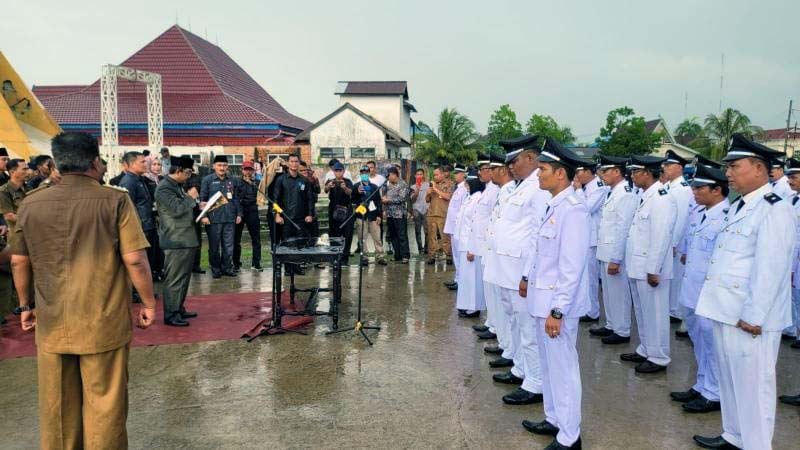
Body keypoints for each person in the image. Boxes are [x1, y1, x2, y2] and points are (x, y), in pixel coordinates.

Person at [11, 132, 156, 449]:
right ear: (94, 162)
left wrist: (25, 306)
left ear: (57, 163)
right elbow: (135, 259)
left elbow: (19, 262)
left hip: (52, 322)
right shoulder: (114, 200)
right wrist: (148, 302)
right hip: (101, 320)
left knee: (57, 407)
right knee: (105, 404)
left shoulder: (30, 203)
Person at [691, 134, 794, 449]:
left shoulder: (774, 208)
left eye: (735, 166)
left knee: (754, 388)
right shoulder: (741, 206)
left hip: (750, 317)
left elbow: (772, 267)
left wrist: (753, 314)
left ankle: (756, 444)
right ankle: (734, 436)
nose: (729, 174)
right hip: (726, 309)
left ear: (760, 169)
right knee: (732, 381)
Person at [520, 138, 589, 450]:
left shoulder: (573, 210)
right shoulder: (555, 204)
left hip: (556, 306)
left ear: (561, 173)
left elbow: (571, 267)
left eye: (543, 169)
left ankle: (570, 436)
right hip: (542, 302)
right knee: (549, 368)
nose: (538, 175)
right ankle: (554, 419)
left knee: (563, 370)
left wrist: (558, 310)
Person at [483, 134, 550, 406]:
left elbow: (537, 235)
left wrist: (528, 274)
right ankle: (521, 369)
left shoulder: (538, 188)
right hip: (506, 269)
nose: (510, 166)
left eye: (515, 160)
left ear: (531, 159)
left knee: (528, 329)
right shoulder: (520, 186)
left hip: (520, 271)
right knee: (514, 321)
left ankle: (535, 383)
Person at [667, 164, 730, 414]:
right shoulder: (700, 213)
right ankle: (702, 383)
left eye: (699, 188)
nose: (694, 192)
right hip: (693, 291)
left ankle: (713, 393)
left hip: (709, 294)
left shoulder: (725, 217)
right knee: (699, 341)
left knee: (711, 343)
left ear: (717, 190)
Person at [621, 155, 677, 374]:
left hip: (651, 269)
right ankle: (645, 349)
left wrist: (654, 269)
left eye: (636, 172)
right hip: (638, 265)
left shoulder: (662, 198)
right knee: (643, 312)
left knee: (655, 313)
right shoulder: (646, 195)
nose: (633, 176)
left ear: (647, 172)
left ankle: (659, 356)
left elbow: (661, 236)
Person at [588, 155, 638, 345]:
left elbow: (623, 228)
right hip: (605, 250)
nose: (602, 175)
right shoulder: (613, 191)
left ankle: (622, 329)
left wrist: (616, 258)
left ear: (617, 172)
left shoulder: (625, 193)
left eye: (606, 171)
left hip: (614, 253)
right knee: (608, 293)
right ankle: (611, 324)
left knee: (619, 293)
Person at [155, 156, 200, 326]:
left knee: (184, 278)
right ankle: (171, 314)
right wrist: (190, 197)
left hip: (185, 238)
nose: (189, 176)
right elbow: (176, 209)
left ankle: (178, 308)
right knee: (175, 279)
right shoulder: (164, 188)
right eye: (188, 172)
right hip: (176, 240)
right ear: (178, 170)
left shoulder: (177, 186)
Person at [479, 153, 515, 361]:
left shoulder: (511, 191)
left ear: (503, 170)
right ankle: (505, 344)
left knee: (507, 309)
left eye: (492, 169)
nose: (489, 172)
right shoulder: (504, 191)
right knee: (499, 304)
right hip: (494, 255)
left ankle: (508, 348)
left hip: (507, 260)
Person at [466, 155, 499, 337]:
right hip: (483, 245)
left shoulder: (495, 191)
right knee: (489, 289)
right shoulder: (488, 189)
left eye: (486, 169)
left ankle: (494, 326)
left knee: (493, 291)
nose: (480, 173)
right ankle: (491, 322)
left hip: (489, 245)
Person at [573, 161, 608, 323]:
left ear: (588, 171)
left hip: (592, 239)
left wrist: (578, 190)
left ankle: (592, 311)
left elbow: (585, 208)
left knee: (591, 278)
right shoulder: (587, 186)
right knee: (582, 277)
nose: (577, 176)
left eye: (579, 171)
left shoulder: (599, 187)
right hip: (582, 237)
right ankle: (586, 308)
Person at [119, 152, 162, 283]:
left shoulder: (139, 179)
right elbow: (127, 207)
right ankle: (135, 291)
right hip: (140, 227)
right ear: (130, 164)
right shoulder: (129, 181)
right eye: (142, 162)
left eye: (145, 161)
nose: (146, 164)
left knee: (148, 258)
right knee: (139, 261)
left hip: (148, 224)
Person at [662, 150, 693, 324]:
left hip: (676, 241)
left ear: (679, 168)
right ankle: (670, 308)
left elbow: (681, 218)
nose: (665, 168)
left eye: (669, 165)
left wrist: (673, 243)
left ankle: (675, 311)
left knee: (676, 277)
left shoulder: (682, 189)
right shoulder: (669, 186)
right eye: (664, 165)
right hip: (667, 240)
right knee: (669, 276)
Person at [200, 155, 242, 279]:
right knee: (214, 246)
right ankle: (216, 269)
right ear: (214, 166)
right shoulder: (207, 180)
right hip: (213, 219)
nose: (222, 168)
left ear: (227, 166)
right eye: (219, 165)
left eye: (224, 165)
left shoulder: (233, 180)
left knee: (228, 246)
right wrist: (204, 216)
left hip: (229, 217)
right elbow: (203, 199)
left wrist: (239, 214)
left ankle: (227, 268)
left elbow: (236, 198)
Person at [272, 154, 316, 275]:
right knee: (287, 244)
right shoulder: (281, 180)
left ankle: (297, 267)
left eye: (296, 161)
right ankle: (288, 269)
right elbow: (275, 199)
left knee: (299, 243)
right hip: (286, 218)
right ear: (288, 163)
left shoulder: (304, 180)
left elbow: (309, 200)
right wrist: (277, 215)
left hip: (301, 218)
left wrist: (310, 214)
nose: (294, 164)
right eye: (291, 161)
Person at [455, 169, 485, 317]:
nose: (466, 185)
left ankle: (474, 307)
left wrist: (472, 248)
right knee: (466, 278)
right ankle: (465, 304)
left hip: (470, 244)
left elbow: (476, 224)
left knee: (472, 278)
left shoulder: (478, 198)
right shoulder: (470, 197)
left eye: (468, 182)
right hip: (464, 242)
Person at [354, 165, 386, 265]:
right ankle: (364, 257)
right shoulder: (356, 186)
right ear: (360, 174)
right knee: (362, 238)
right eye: (362, 173)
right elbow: (352, 200)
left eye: (366, 172)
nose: (364, 174)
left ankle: (380, 256)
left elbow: (378, 202)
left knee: (377, 238)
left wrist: (379, 215)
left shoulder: (374, 187)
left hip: (373, 215)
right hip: (361, 216)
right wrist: (357, 193)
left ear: (369, 173)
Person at [234, 160, 262, 271]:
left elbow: (261, 195)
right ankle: (236, 263)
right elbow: (235, 197)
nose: (248, 172)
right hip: (240, 210)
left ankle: (256, 263)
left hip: (252, 210)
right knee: (236, 239)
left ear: (253, 170)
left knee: (256, 238)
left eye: (250, 169)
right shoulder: (236, 182)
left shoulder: (257, 182)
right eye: (246, 169)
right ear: (242, 170)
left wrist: (253, 183)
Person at [325, 161, 356, 260]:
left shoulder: (348, 181)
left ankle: (345, 257)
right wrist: (329, 186)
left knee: (347, 233)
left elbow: (351, 192)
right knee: (334, 233)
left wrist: (345, 188)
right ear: (333, 171)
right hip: (334, 209)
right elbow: (325, 190)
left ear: (343, 171)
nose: (338, 173)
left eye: (340, 171)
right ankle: (334, 256)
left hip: (346, 209)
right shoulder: (331, 181)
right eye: (336, 171)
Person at [381, 166, 411, 263]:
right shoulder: (388, 185)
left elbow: (401, 199)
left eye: (389, 175)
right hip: (390, 214)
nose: (388, 178)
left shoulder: (403, 184)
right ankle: (397, 255)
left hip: (399, 214)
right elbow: (385, 196)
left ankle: (405, 255)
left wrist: (388, 200)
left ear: (394, 175)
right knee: (393, 235)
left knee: (402, 235)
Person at [425, 166, 454, 265]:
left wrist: (435, 189)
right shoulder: (432, 185)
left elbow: (448, 197)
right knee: (431, 236)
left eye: (437, 175)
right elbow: (427, 200)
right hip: (432, 214)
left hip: (443, 214)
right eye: (434, 175)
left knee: (445, 236)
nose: (435, 177)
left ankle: (449, 255)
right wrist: (428, 193)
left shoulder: (449, 184)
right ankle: (431, 256)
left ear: (442, 174)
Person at [443, 164, 468, 274]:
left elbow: (463, 210)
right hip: (453, 226)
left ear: (463, 174)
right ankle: (457, 278)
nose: (455, 175)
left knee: (458, 253)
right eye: (455, 173)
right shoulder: (458, 188)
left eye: (457, 173)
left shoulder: (464, 190)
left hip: (458, 227)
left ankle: (459, 278)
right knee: (456, 254)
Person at [184, 162, 205, 274]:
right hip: (184, 213)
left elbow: (195, 192)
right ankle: (187, 266)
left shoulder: (196, 178)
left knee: (197, 239)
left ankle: (196, 265)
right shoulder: (177, 180)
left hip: (195, 211)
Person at [300, 160, 321, 240]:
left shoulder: (312, 178)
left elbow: (318, 190)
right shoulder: (298, 180)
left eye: (305, 170)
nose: (304, 172)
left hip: (311, 206)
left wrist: (315, 180)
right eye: (301, 170)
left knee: (314, 229)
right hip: (300, 207)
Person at [409, 168, 429, 255]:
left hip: (426, 210)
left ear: (423, 175)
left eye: (421, 174)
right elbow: (412, 200)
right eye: (418, 174)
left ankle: (426, 248)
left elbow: (430, 198)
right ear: (415, 176)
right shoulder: (412, 187)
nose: (419, 176)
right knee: (417, 231)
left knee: (427, 231)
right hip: (416, 210)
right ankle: (420, 248)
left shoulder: (428, 185)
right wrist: (417, 189)